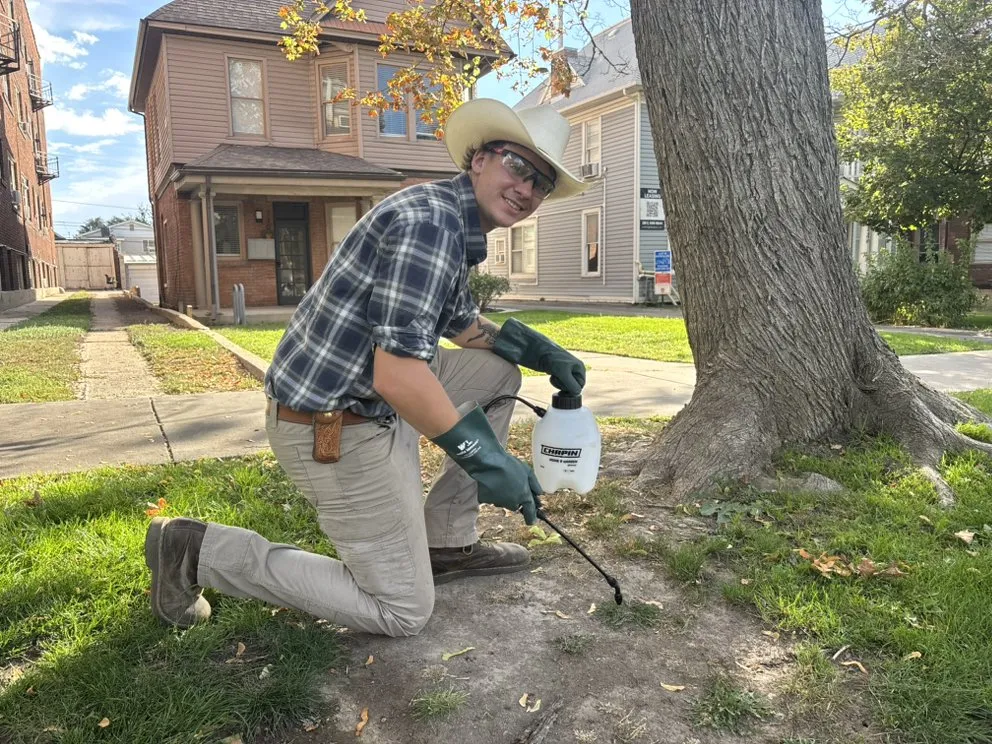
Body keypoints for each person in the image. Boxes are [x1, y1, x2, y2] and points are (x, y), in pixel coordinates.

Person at [144, 98, 590, 637]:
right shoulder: (428, 226)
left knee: (496, 372)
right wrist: (486, 459)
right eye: (518, 166)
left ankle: (447, 543)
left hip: (369, 399)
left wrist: (542, 352)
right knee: (402, 609)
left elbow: (464, 328)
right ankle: (194, 550)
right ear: (479, 159)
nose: (527, 189)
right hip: (329, 425)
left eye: (541, 183)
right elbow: (397, 376)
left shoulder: (450, 221)